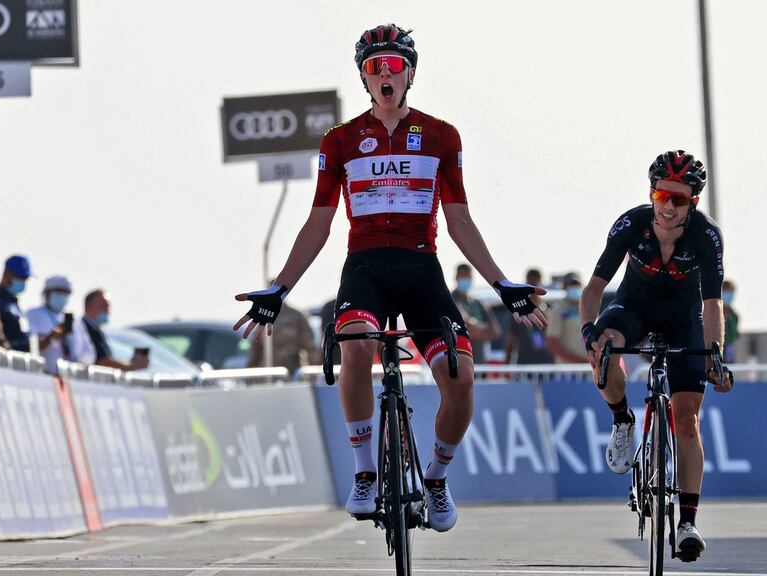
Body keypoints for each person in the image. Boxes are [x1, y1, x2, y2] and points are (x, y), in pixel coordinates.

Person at [233, 23, 546, 533]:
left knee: (462, 381)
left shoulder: (441, 136)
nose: (384, 73)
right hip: (365, 268)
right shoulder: (339, 141)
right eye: (374, 66)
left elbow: (460, 220)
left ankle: (436, 478)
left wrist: (501, 284)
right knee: (356, 346)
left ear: (410, 74)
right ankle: (365, 473)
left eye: (394, 65)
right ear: (364, 77)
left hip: (421, 268)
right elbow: (318, 224)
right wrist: (280, 289)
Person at [580, 150, 733, 562]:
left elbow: (713, 303)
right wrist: (588, 332)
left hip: (685, 317)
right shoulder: (631, 224)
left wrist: (715, 354)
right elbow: (593, 288)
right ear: (652, 194)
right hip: (634, 307)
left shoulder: (706, 235)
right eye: (661, 195)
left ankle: (687, 523)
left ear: (693, 202)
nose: (668, 206)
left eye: (678, 199)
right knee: (606, 346)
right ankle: (622, 420)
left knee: (687, 420)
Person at [27, 275, 95, 374]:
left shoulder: (76, 322)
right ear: (47, 293)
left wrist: (82, 362)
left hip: (69, 376)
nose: (62, 296)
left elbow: (89, 352)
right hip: (43, 374)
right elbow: (29, 346)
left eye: (65, 293)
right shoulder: (33, 314)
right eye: (58, 292)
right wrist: (50, 337)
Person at [247, 298, 319, 375]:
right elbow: (255, 351)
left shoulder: (297, 316)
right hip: (268, 371)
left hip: (291, 372)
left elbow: (310, 348)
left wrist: (313, 373)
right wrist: (251, 373)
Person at [82, 289, 149, 372]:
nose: (107, 311)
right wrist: (131, 366)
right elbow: (101, 361)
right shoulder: (84, 329)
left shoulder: (96, 330)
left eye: (108, 306)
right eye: (104, 305)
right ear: (90, 306)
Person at [452, 263, 501, 363]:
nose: (466, 279)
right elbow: (467, 328)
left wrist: (474, 329)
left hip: (479, 363)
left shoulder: (477, 303)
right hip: (459, 361)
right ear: (456, 277)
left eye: (468, 277)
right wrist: (482, 328)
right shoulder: (450, 301)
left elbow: (495, 332)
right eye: (463, 276)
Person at [505, 268, 554, 364]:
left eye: (535, 284)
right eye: (529, 284)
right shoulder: (517, 311)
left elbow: (553, 329)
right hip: (524, 363)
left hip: (547, 363)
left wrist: (539, 305)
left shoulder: (549, 308)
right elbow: (511, 339)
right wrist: (507, 364)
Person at [546, 272, 591, 364]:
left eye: (576, 284)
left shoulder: (589, 307)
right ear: (564, 287)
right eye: (571, 285)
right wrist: (580, 361)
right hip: (568, 369)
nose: (574, 288)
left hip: (590, 368)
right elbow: (552, 343)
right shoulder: (558, 310)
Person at [0, 254, 32, 351]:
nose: (23, 281)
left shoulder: (15, 304)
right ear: (7, 273)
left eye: (25, 278)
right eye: (20, 277)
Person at [721, 279, 740, 362]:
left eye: (731, 292)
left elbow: (735, 335)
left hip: (730, 350)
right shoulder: (714, 313)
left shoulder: (735, 315)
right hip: (717, 348)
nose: (729, 294)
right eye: (726, 291)